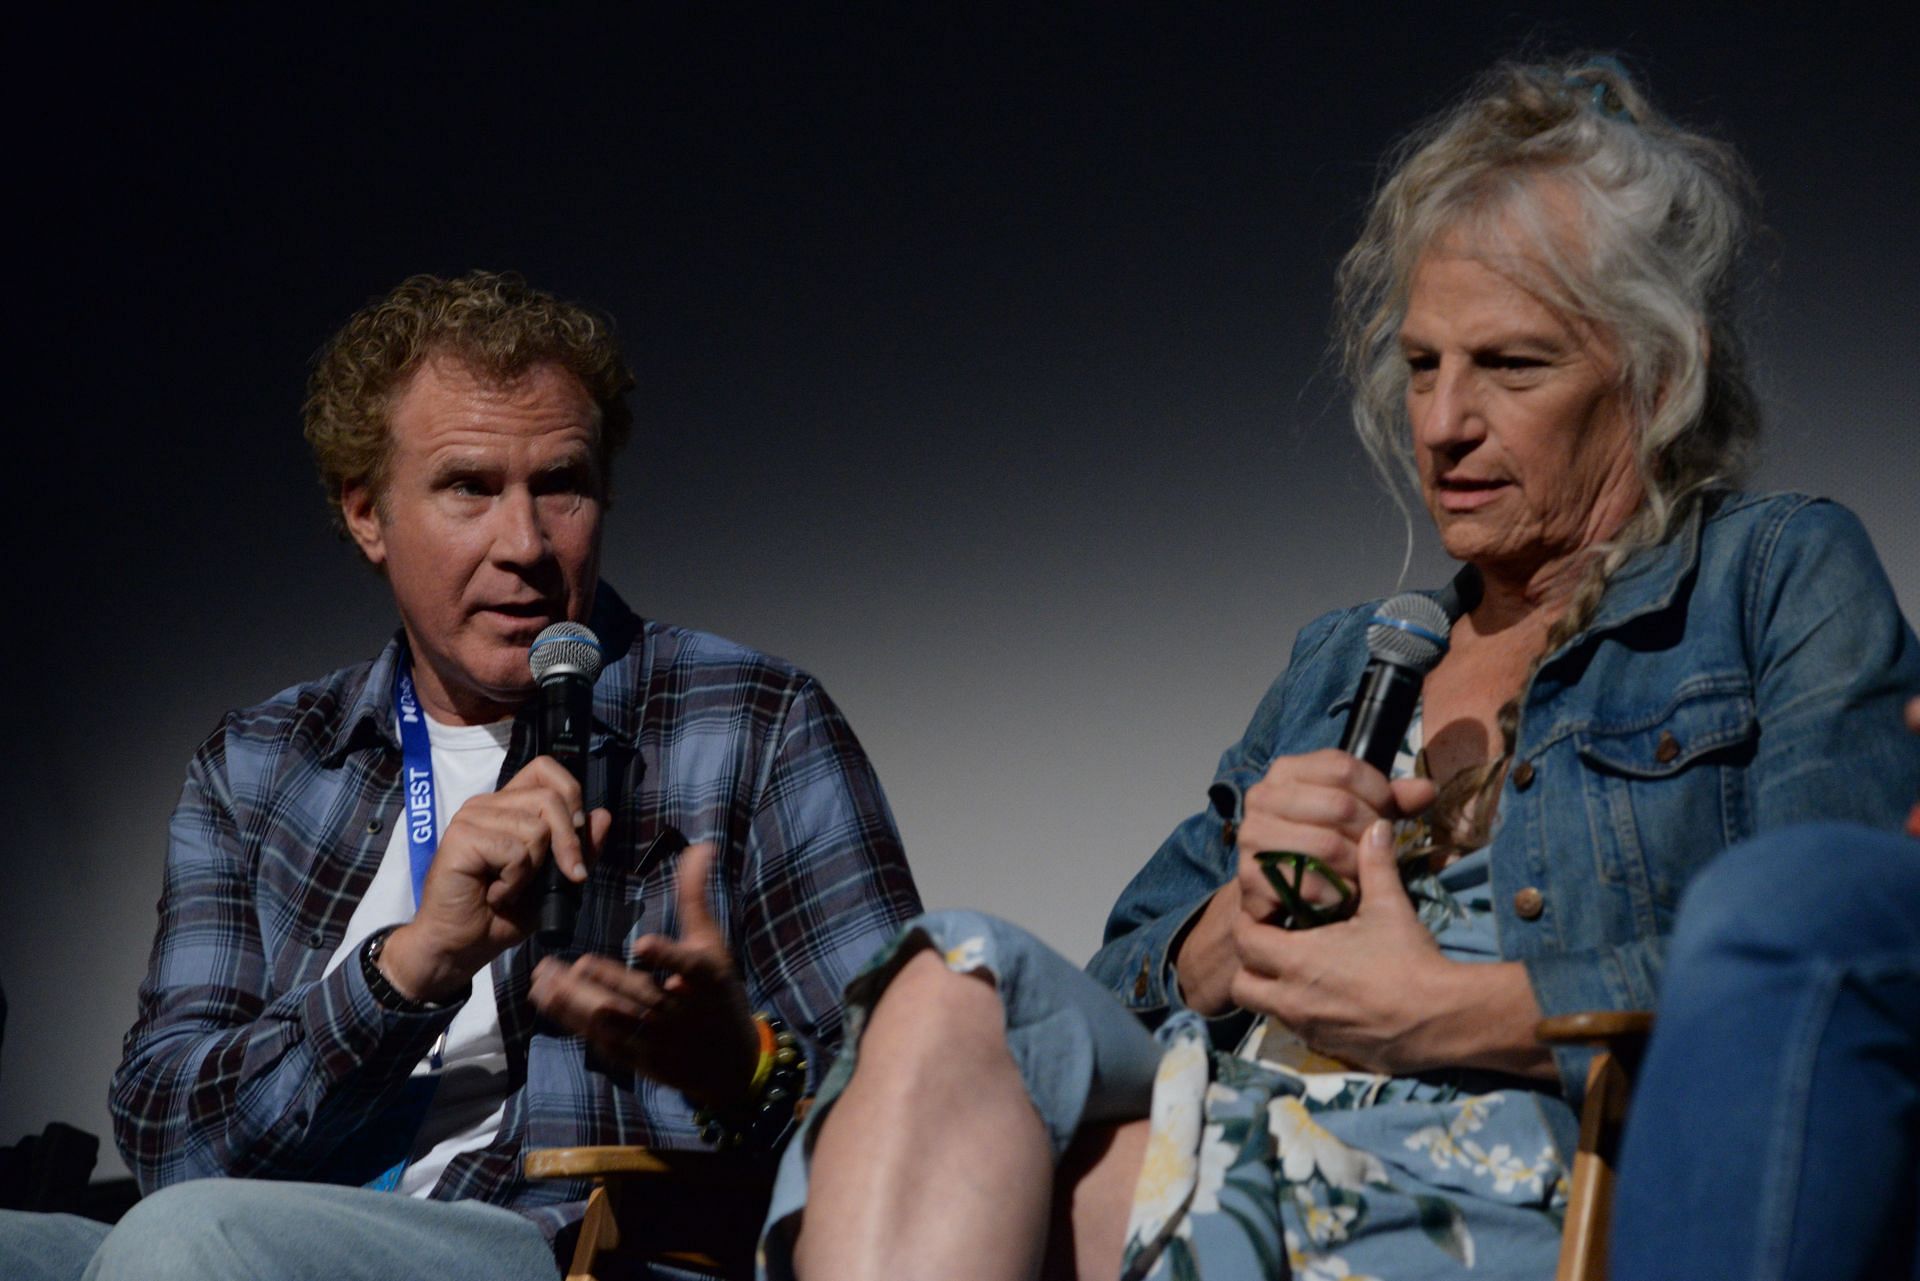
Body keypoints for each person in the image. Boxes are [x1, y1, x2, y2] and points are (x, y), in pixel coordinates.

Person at [762, 57, 1920, 1281]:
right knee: (951, 985)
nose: (1443, 424)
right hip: (1238, 1121)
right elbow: (1117, 985)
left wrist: (1448, 1008)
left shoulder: (1771, 578)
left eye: (1511, 366)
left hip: (1521, 1163)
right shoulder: (1349, 658)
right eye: (1424, 366)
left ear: (1656, 378)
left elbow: (1839, 972)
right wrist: (1226, 929)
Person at [0, 271, 921, 1281]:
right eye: (470, 488)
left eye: (560, 485)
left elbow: (913, 1115)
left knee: (190, 1244)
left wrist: (736, 1068)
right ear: (367, 514)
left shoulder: (747, 723)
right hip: (264, 1230)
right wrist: (408, 972)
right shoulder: (262, 765)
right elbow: (171, 1138)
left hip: (558, 1245)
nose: (524, 545)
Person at [1609, 696, 1920, 1280]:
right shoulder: (1387, 639)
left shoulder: (1765, 606)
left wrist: (1452, 1007)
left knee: (1801, 901)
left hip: (1532, 1133)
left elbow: (1835, 877)